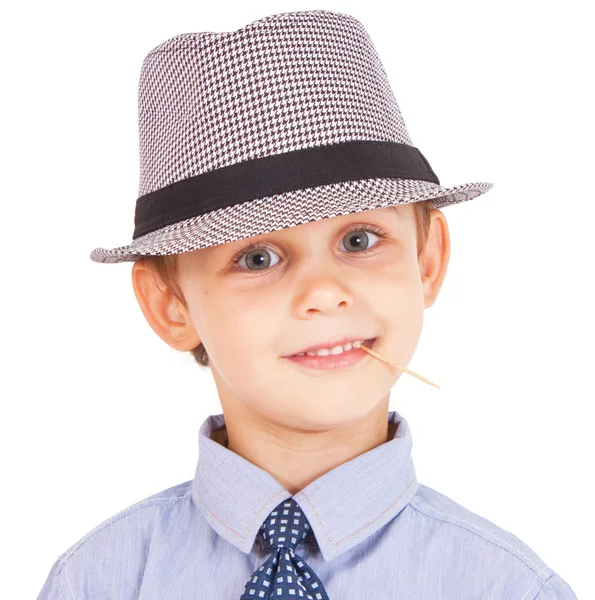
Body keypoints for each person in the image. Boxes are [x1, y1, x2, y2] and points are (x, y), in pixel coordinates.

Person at [37, 9, 577, 600]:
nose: (323, 293)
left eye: (359, 240)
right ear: (171, 303)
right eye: (258, 258)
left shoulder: (508, 588)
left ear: (427, 259)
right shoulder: (97, 581)